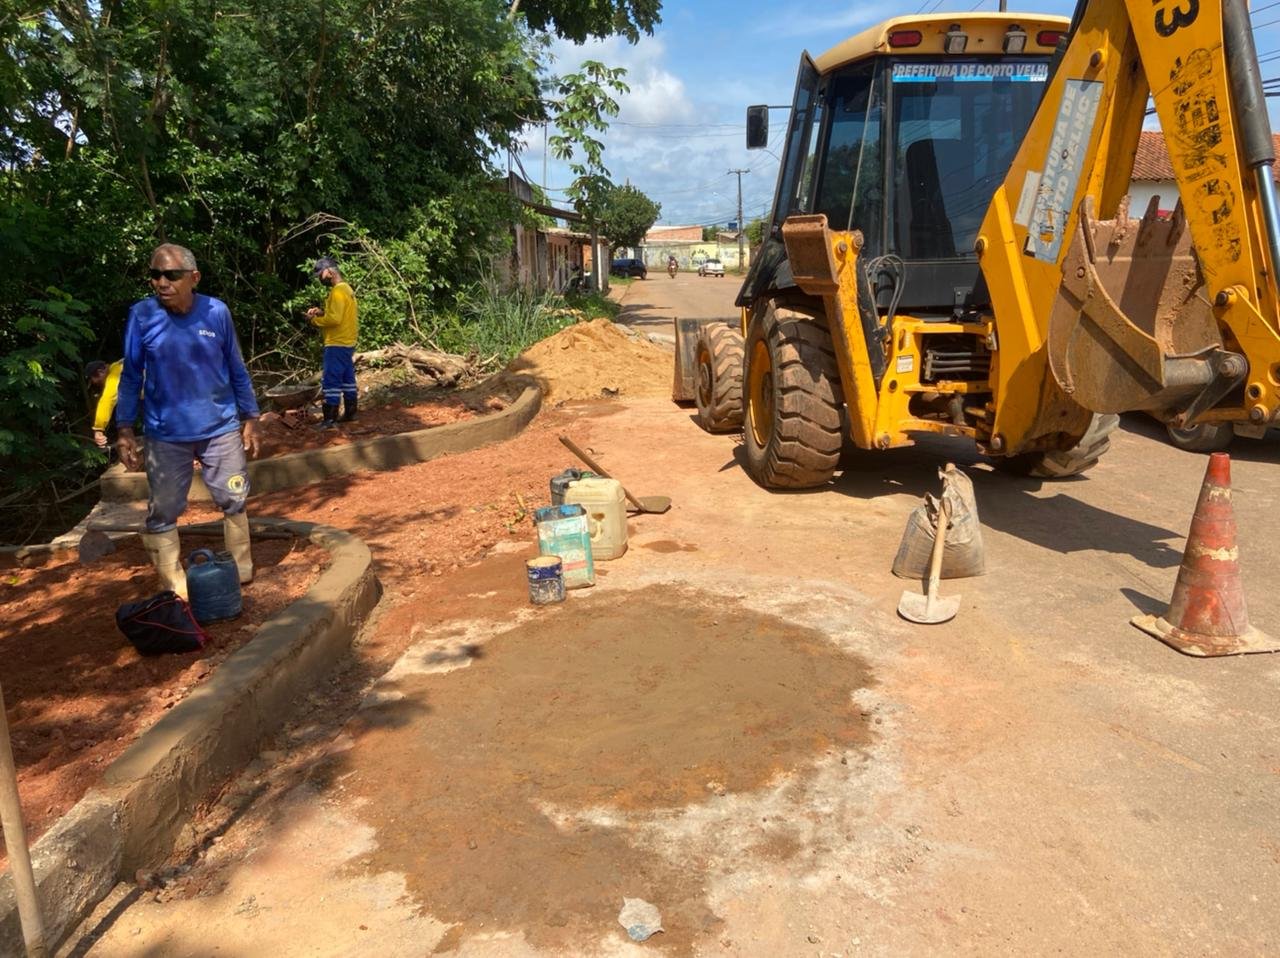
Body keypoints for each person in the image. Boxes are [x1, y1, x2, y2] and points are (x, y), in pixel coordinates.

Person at [116, 243, 261, 599]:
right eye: (155, 275)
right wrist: (123, 428)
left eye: (171, 275)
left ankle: (241, 567)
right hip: (165, 432)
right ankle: (174, 583)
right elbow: (131, 375)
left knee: (233, 496)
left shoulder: (217, 312)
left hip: (220, 426)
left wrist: (251, 417)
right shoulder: (142, 316)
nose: (161, 282)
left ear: (193, 278)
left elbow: (236, 368)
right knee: (164, 508)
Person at [305, 256, 359, 428]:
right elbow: (339, 314)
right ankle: (350, 413)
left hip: (336, 342)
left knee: (331, 380)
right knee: (347, 378)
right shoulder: (347, 289)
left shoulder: (337, 291)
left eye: (320, 274)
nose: (321, 278)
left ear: (328, 271)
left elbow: (335, 319)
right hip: (348, 342)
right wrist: (321, 312)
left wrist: (314, 321)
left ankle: (329, 418)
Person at [85, 359, 123, 450]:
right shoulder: (120, 364)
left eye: (97, 382)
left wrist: (98, 428)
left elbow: (108, 398)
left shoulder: (115, 372)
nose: (101, 385)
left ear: (100, 372)